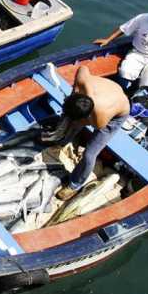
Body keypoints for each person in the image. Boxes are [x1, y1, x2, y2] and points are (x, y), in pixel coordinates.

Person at [56, 65, 130, 201]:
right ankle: (61, 141)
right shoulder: (83, 81)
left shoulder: (100, 117)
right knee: (68, 119)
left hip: (117, 112)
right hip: (109, 91)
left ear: (86, 117)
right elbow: (83, 68)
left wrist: (78, 123)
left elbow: (94, 125)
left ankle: (75, 184)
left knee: (90, 154)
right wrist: (75, 90)